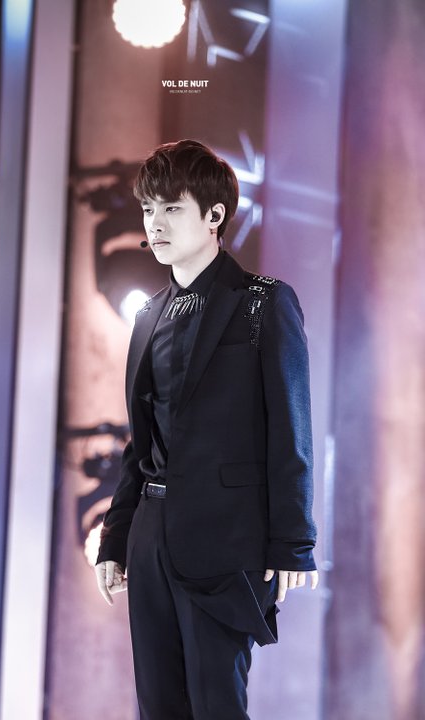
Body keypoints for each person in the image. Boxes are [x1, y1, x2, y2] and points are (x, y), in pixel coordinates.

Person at [95, 139, 319, 720]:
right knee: (158, 706)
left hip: (227, 539)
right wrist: (116, 539)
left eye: (172, 208)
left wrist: (294, 544)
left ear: (214, 214)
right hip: (151, 537)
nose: (155, 223)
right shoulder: (148, 314)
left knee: (217, 704)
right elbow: (141, 442)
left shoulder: (263, 303)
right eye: (149, 209)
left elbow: (291, 429)